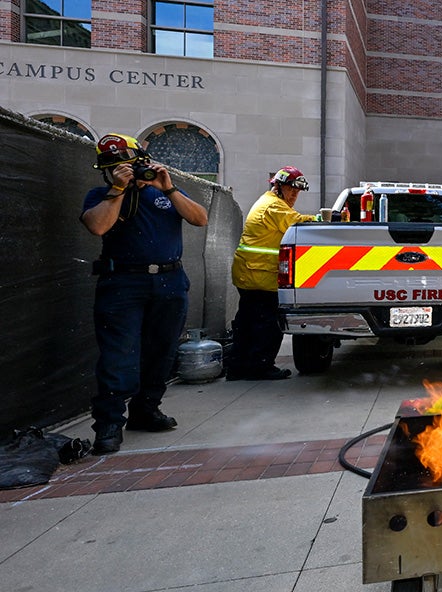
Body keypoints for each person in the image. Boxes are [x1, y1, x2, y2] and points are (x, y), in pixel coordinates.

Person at [80, 133, 209, 455]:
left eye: (128, 165)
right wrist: (117, 190)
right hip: (123, 283)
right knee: (118, 355)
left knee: (161, 351)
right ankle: (109, 424)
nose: (122, 170)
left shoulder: (163, 193)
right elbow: (98, 227)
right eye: (113, 167)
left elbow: (199, 219)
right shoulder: (101, 195)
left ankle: (146, 409)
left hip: (169, 279)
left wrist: (168, 187)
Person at [227, 166, 316, 380]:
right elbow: (299, 224)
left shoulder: (269, 203)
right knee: (266, 324)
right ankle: (260, 366)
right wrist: (324, 219)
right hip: (259, 275)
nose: (294, 194)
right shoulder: (274, 207)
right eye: (290, 189)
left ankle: (239, 367)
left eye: (297, 191)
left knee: (248, 322)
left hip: (251, 273)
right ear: (277, 186)